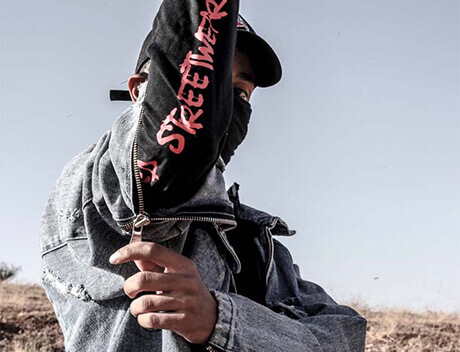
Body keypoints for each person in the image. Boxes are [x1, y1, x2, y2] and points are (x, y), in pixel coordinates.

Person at [39, 1, 367, 351]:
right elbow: (161, 153)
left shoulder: (256, 241)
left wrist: (222, 320)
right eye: (211, 82)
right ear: (138, 91)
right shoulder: (103, 188)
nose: (223, 108)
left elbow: (345, 335)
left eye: (240, 93)